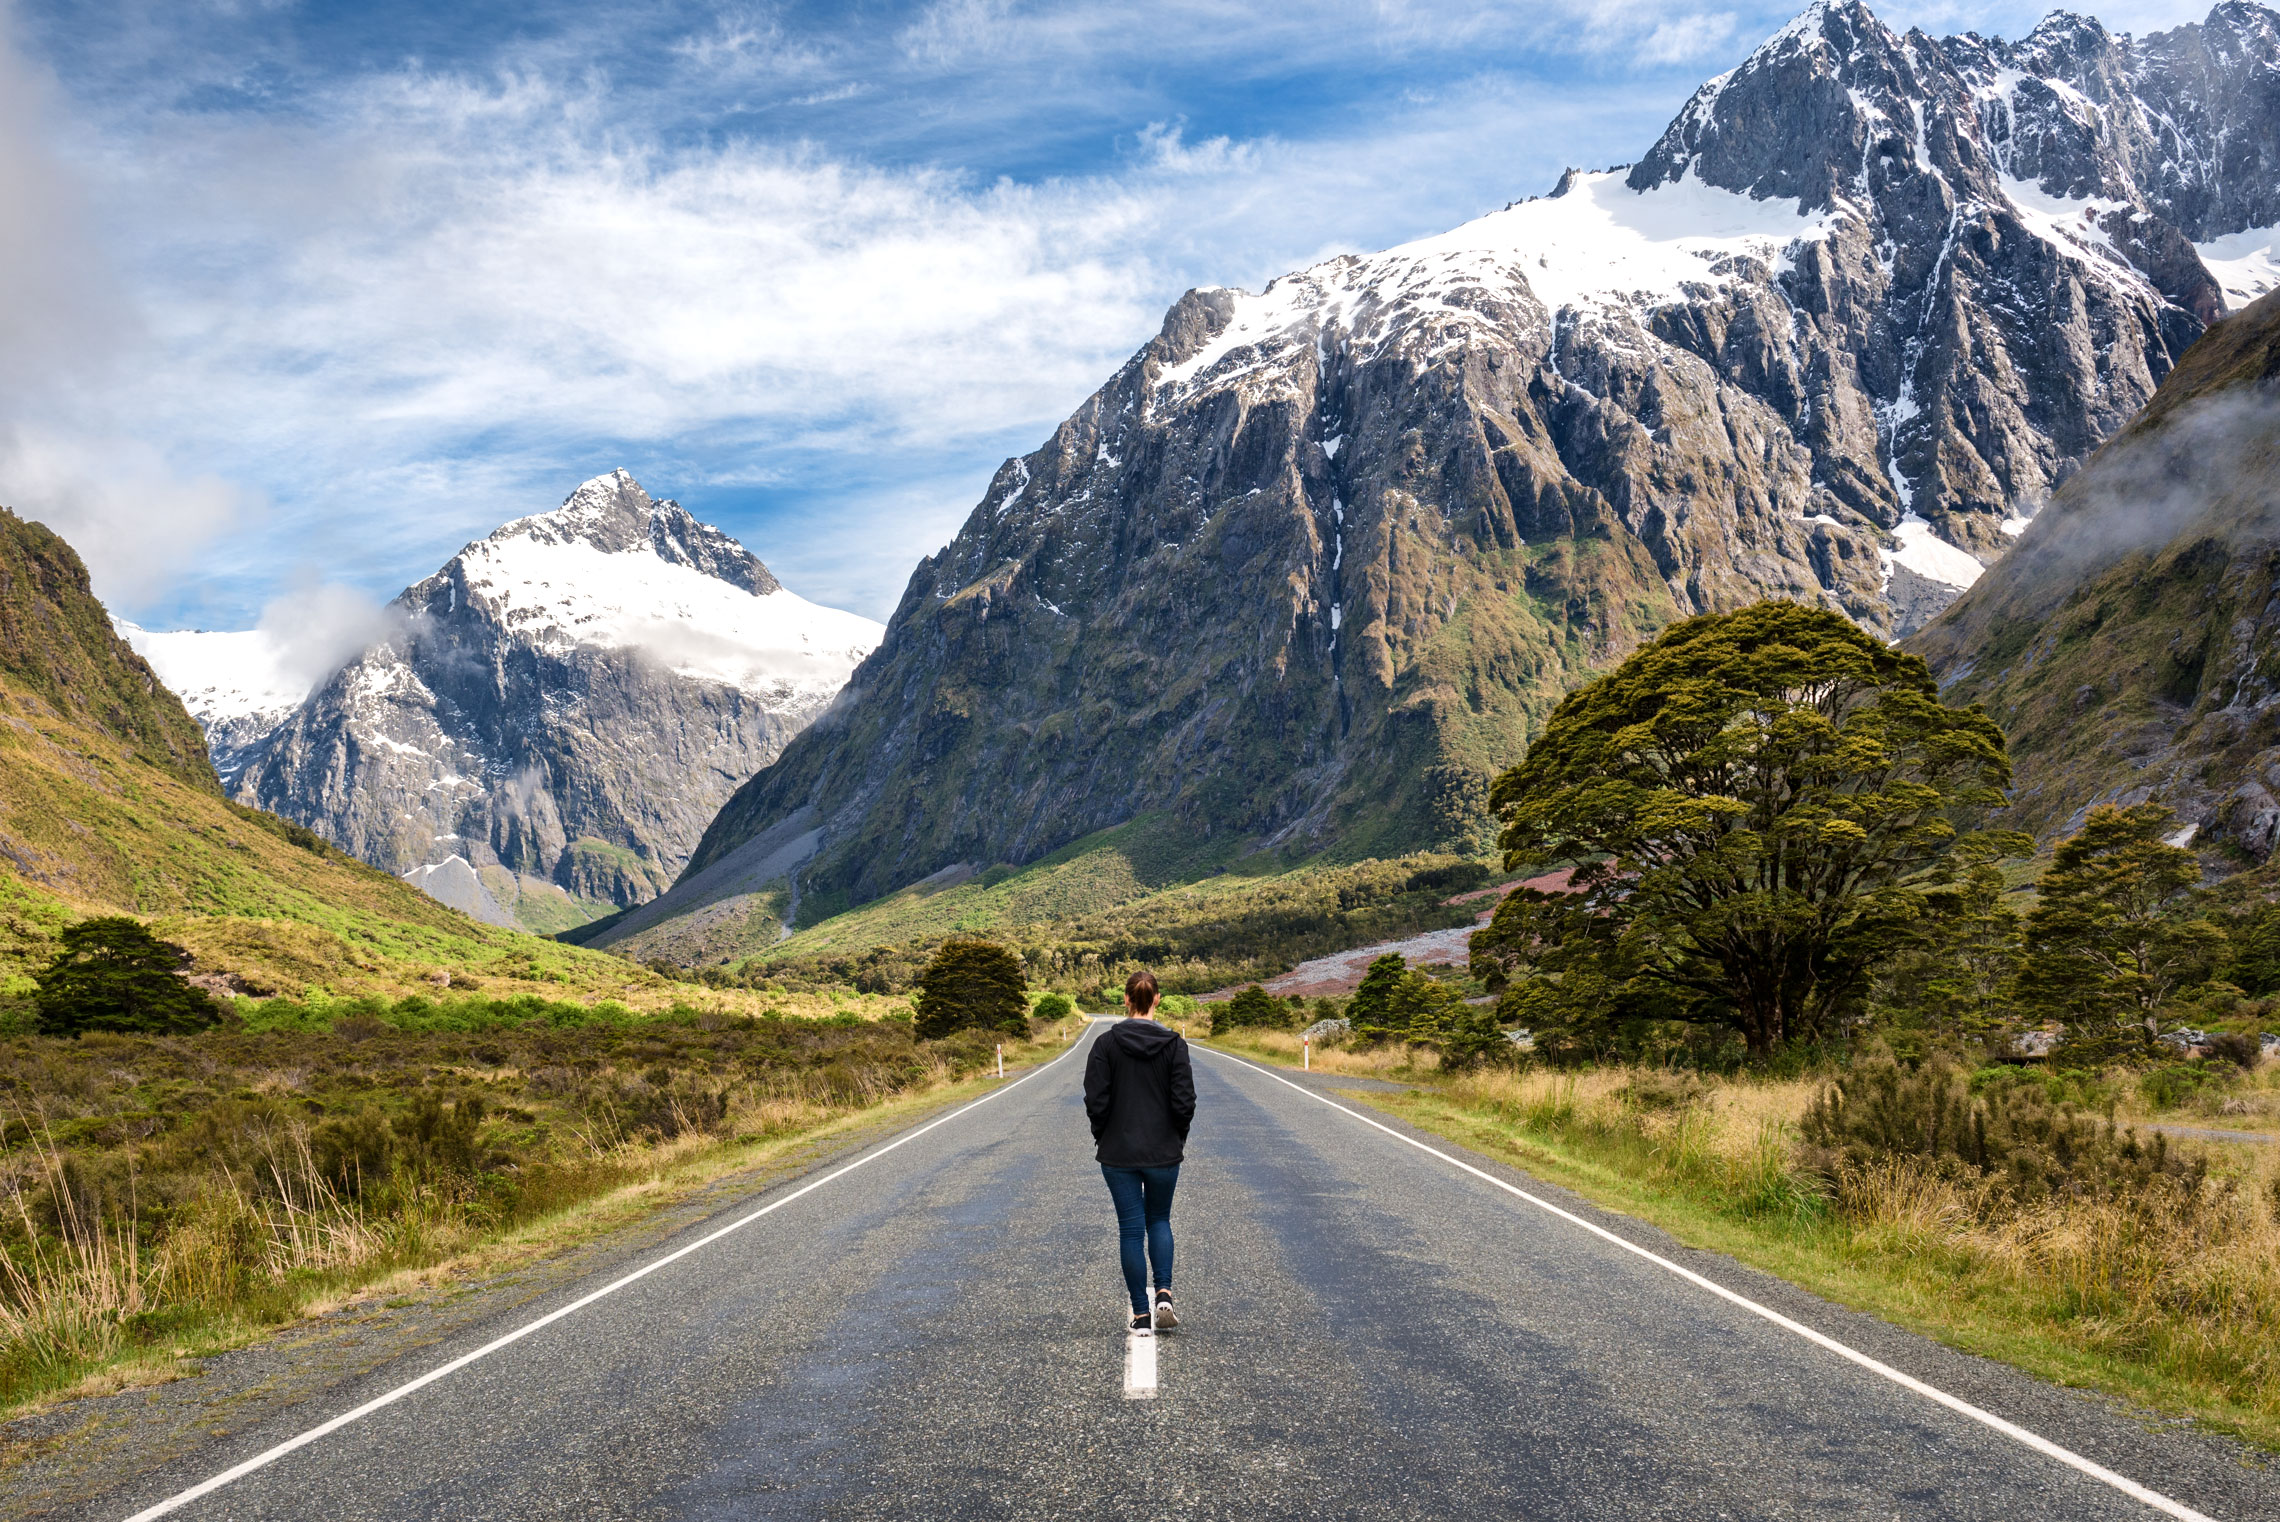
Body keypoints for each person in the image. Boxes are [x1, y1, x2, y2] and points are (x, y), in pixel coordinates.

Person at [1083, 969, 1195, 1333]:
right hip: (1163, 1152)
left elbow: (1096, 1101)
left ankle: (1141, 1314)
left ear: (1126, 999)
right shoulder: (1175, 1045)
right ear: (1157, 1000)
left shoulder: (1105, 1044)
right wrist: (1176, 1137)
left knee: (1130, 1230)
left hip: (1119, 1153)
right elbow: (1184, 1102)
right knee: (1159, 1220)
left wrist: (1104, 1135)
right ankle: (1164, 1292)